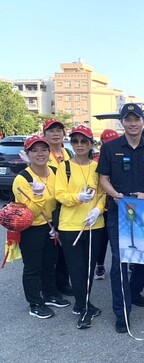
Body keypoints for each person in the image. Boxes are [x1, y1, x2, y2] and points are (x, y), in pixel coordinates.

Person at [97, 103, 144, 333]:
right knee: (120, 261)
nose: (133, 124)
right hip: (118, 212)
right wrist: (114, 194)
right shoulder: (110, 148)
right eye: (128, 119)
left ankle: (134, 292)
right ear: (122, 123)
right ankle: (121, 311)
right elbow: (103, 178)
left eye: (137, 119)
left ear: (143, 121)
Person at [13, 135, 71, 319]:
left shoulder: (54, 171)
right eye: (34, 150)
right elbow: (29, 211)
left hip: (51, 226)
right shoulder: (22, 179)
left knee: (49, 262)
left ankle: (50, 294)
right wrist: (38, 195)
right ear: (28, 154)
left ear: (49, 152)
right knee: (33, 267)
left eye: (44, 150)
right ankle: (35, 303)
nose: (40, 154)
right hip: (31, 229)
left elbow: (60, 198)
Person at [55, 125, 106, 329]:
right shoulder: (64, 167)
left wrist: (98, 210)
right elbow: (59, 194)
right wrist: (76, 198)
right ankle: (84, 308)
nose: (79, 145)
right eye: (75, 141)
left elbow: (103, 193)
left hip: (94, 225)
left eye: (83, 141)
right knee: (76, 269)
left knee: (88, 268)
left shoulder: (98, 167)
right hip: (70, 226)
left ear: (91, 143)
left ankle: (82, 303)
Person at [43, 118, 73, 297]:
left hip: (67, 206)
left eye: (59, 130)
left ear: (63, 134)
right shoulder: (42, 154)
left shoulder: (68, 152)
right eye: (51, 130)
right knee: (50, 250)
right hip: (50, 207)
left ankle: (63, 282)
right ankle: (49, 287)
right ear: (45, 134)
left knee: (65, 249)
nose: (55, 134)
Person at [93, 129, 120, 281]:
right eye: (107, 142)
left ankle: (128, 263)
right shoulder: (97, 159)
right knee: (102, 239)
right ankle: (100, 265)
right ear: (102, 143)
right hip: (102, 206)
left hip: (118, 203)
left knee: (121, 238)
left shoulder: (121, 154)